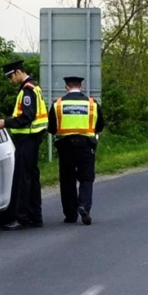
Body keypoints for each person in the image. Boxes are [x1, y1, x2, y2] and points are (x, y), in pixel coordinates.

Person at [0, 59, 48, 230]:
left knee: (23, 179)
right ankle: (35, 217)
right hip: (32, 139)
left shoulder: (27, 91)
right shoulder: (34, 87)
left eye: (11, 77)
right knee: (32, 178)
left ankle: (23, 218)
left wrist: (6, 123)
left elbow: (27, 117)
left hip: (27, 140)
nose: (11, 80)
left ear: (18, 72)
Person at [47, 76, 105, 225]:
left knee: (67, 181)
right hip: (86, 147)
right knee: (86, 179)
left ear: (66, 87)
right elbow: (99, 126)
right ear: (81, 87)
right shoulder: (92, 104)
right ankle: (84, 206)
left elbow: (51, 128)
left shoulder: (57, 104)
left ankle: (70, 215)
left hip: (65, 147)